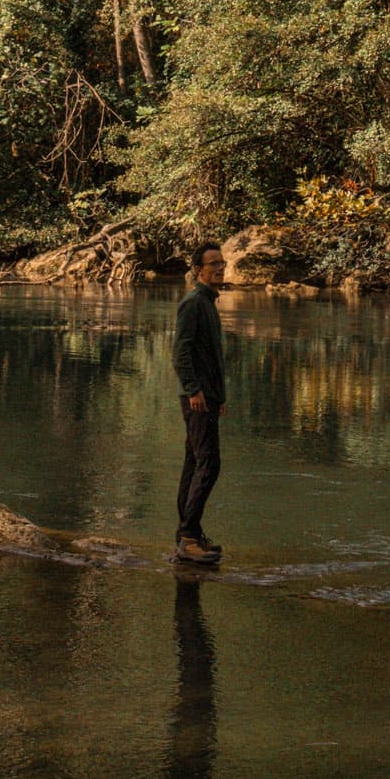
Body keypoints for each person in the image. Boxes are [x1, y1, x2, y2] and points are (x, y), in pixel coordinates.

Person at [172, 240, 227, 564]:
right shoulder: (193, 303)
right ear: (198, 270)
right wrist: (194, 390)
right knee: (208, 464)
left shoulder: (208, 302)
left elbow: (211, 357)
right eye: (214, 264)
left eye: (222, 262)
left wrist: (220, 397)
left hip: (207, 397)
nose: (220, 268)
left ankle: (187, 535)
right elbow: (181, 352)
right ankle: (189, 537)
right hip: (196, 399)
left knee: (194, 463)